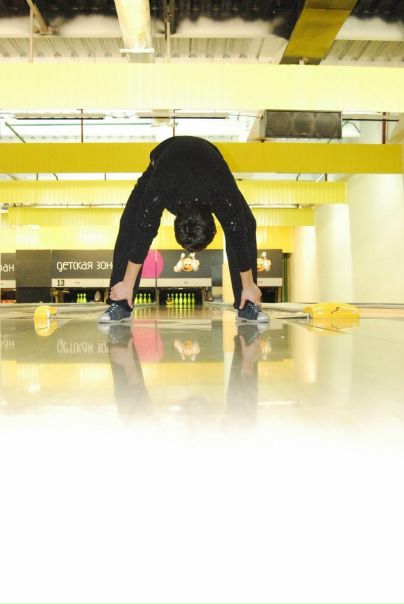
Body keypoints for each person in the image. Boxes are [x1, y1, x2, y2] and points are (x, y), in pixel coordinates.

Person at [98, 135, 269, 324]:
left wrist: (248, 284)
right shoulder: (161, 187)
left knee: (246, 224)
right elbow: (144, 230)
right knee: (131, 224)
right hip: (161, 163)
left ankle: (247, 301)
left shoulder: (222, 191)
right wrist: (127, 283)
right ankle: (121, 301)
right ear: (176, 217)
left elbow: (238, 232)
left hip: (211, 165)